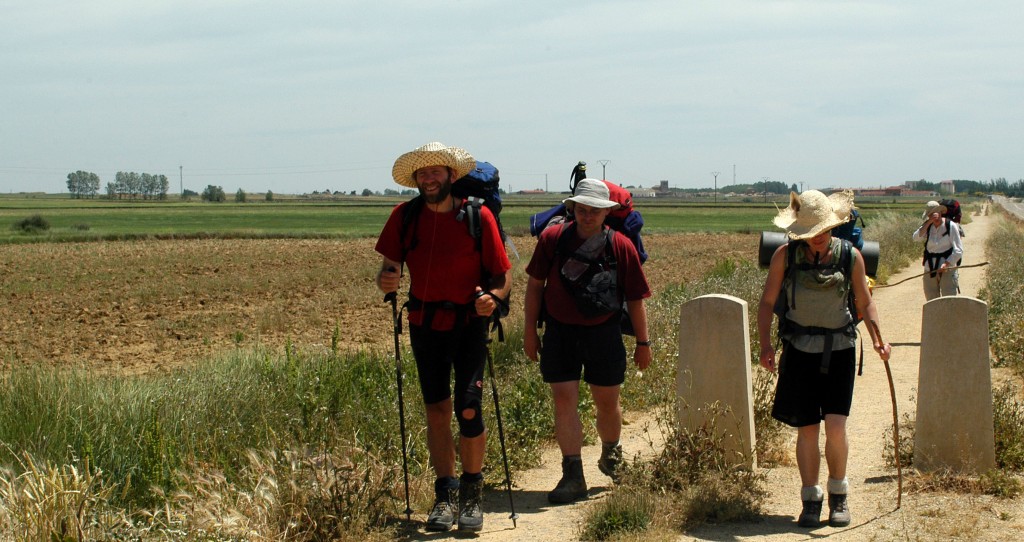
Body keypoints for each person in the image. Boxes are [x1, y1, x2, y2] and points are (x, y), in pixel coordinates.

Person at [374, 141, 512, 532]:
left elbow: (503, 276)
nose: (429, 178)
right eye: (422, 173)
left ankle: (471, 493)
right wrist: (386, 279)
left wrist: (492, 298)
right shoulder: (405, 216)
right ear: (415, 180)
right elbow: (389, 268)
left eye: (436, 172)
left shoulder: (478, 217)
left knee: (469, 409)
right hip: (424, 323)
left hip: (469, 326)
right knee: (436, 410)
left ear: (452, 176)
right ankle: (444, 496)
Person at [756, 190, 891, 528]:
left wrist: (878, 339)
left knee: (835, 427)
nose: (818, 239)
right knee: (807, 431)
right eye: (810, 233)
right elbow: (766, 303)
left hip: (840, 350)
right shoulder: (784, 257)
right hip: (799, 350)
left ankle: (839, 496)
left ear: (833, 227)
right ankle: (810, 499)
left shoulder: (851, 257)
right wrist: (764, 347)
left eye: (824, 231)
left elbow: (865, 301)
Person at [523, 178, 652, 504]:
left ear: (605, 213)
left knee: (607, 403)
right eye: (582, 209)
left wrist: (643, 343)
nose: (588, 215)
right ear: (573, 209)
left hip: (604, 333)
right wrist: (529, 332)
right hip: (560, 332)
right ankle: (573, 474)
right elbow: (535, 286)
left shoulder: (621, 246)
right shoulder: (552, 239)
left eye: (594, 210)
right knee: (564, 401)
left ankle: (611, 454)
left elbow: (636, 299)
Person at [912, 200, 963, 300]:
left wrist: (946, 264)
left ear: (940, 212)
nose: (934, 216)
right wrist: (928, 222)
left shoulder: (951, 226)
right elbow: (915, 238)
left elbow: (958, 250)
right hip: (929, 269)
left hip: (947, 270)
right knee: (931, 302)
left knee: (948, 301)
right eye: (930, 215)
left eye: (935, 213)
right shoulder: (928, 226)